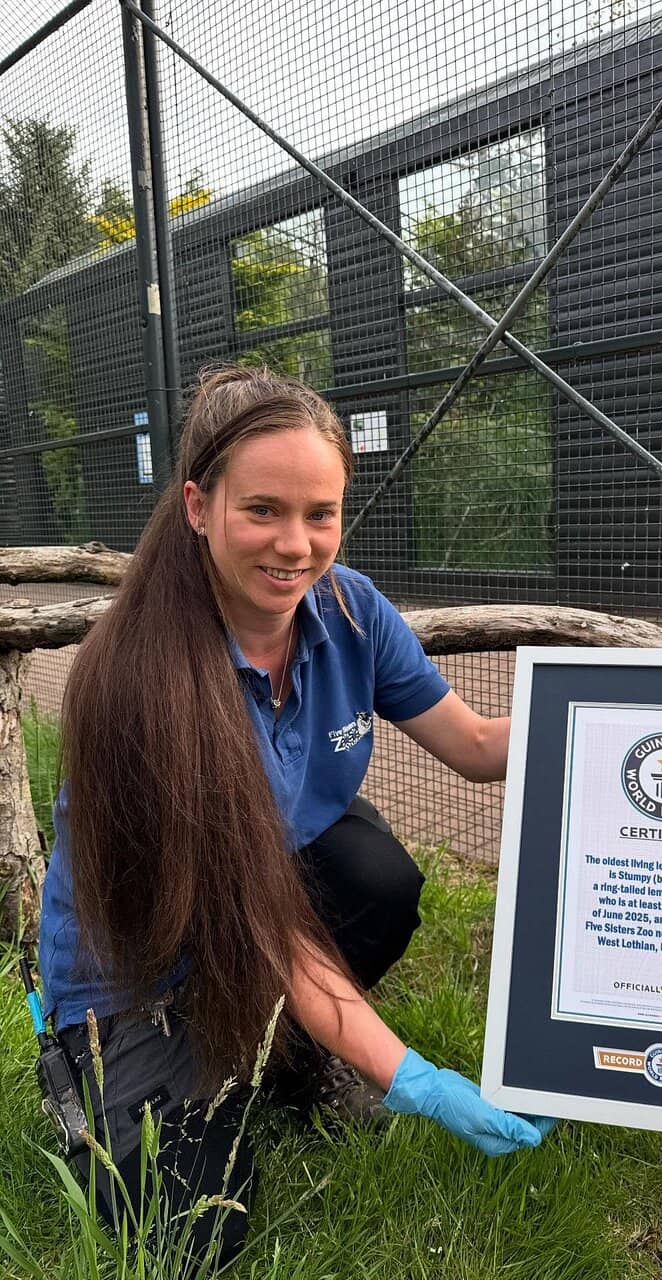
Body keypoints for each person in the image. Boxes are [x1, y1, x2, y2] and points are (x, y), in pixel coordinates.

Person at [37, 365, 551, 1268]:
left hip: (259, 909)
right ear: (199, 505)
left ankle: (286, 1051)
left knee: (375, 876)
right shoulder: (141, 684)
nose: (296, 545)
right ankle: (103, 1076)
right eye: (263, 510)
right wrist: (416, 1079)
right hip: (135, 977)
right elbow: (269, 933)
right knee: (194, 1241)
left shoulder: (350, 609)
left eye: (321, 512)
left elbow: (474, 746)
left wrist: (633, 698)